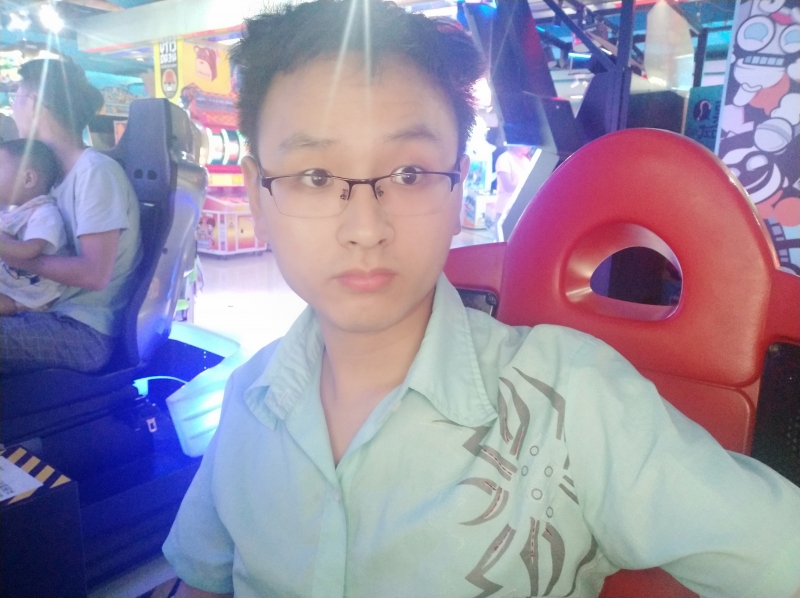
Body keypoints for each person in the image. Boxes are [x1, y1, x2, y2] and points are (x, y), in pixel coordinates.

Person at [163, 3, 800, 597]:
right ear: (257, 193)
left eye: (410, 173)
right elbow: (202, 580)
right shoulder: (247, 399)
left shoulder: (572, 403)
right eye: (316, 176)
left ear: (457, 189)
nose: (365, 227)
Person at [0, 58, 141, 374]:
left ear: (34, 103)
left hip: (84, 332)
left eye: (15, 98)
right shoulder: (50, 179)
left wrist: (15, 256)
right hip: (49, 312)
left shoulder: (95, 173)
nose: (12, 108)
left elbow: (94, 274)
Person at [0, 138, 66, 315]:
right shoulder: (17, 211)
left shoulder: (45, 213)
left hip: (28, 293)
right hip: (10, 281)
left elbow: (29, 251)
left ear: (28, 179)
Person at [492, 143, 532, 226]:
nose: (529, 146)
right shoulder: (504, 159)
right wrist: (528, 188)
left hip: (521, 209)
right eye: (526, 143)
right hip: (504, 209)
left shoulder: (526, 161)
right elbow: (508, 187)